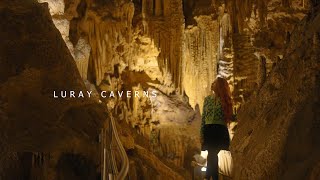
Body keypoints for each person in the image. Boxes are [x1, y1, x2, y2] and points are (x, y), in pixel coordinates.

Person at [200, 77, 232, 180]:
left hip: (219, 130)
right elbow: (204, 117)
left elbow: (230, 116)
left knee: (212, 154)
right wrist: (201, 133)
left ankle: (209, 176)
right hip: (209, 130)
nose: (212, 84)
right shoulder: (207, 100)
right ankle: (212, 177)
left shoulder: (225, 100)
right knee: (212, 154)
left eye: (215, 83)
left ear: (219, 86)